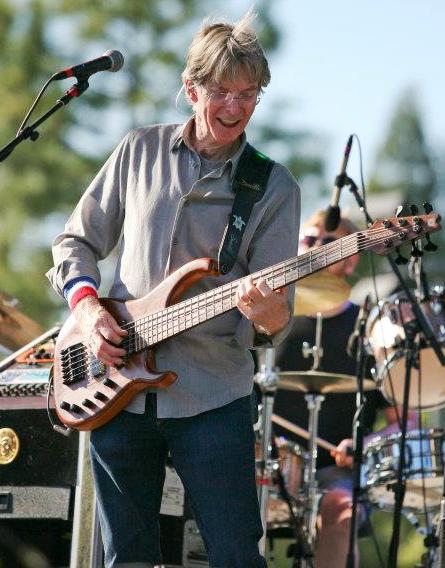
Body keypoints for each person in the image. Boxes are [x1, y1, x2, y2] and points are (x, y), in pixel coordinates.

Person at [46, 11, 300, 568]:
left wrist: (269, 311)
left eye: (248, 94)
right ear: (191, 89)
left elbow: (277, 320)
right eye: (221, 92)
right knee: (125, 558)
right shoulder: (138, 151)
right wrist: (88, 311)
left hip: (213, 398)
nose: (235, 108)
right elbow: (74, 242)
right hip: (112, 389)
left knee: (235, 555)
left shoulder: (274, 186)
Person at [271, 210, 416, 568]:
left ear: (351, 260)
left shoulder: (373, 331)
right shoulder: (270, 320)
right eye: (309, 240)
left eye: (329, 243)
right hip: (266, 464)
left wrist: (363, 448)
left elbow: (406, 422)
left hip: (339, 474)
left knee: (341, 509)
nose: (317, 249)